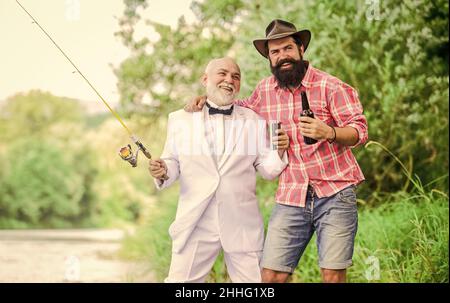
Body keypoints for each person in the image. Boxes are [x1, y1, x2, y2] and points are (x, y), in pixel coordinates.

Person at [185, 19, 368, 283]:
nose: (282, 56)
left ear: (301, 49)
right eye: (275, 52)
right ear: (269, 57)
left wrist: (329, 132)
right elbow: (236, 110)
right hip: (291, 194)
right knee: (270, 276)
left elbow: (359, 131)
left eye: (287, 49)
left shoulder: (330, 86)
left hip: (336, 192)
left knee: (332, 275)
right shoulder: (264, 91)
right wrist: (207, 99)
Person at [149, 57, 290, 283]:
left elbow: (268, 170)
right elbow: (172, 161)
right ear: (205, 79)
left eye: (235, 76)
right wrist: (163, 170)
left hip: (242, 222)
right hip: (195, 221)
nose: (229, 80)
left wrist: (280, 151)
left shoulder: (254, 121)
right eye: (222, 74)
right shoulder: (179, 120)